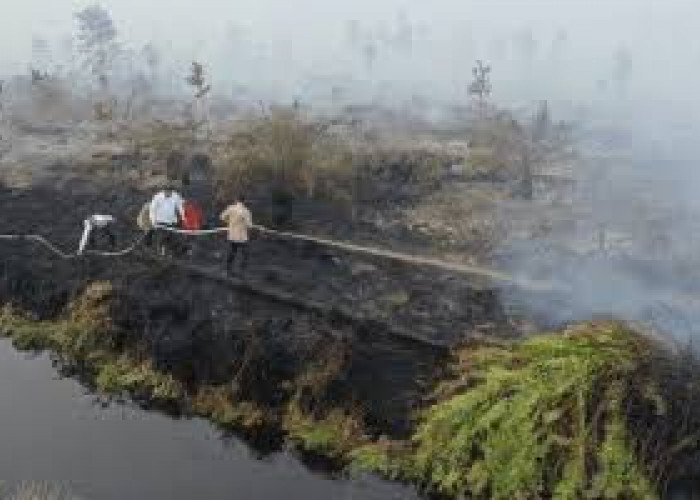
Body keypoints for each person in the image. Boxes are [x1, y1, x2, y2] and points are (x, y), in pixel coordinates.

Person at [220, 195, 253, 276]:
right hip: (242, 237)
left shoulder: (231, 208)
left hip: (232, 235)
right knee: (245, 254)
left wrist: (229, 222)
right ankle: (241, 272)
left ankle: (228, 270)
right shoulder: (246, 211)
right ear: (244, 201)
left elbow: (221, 217)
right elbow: (249, 225)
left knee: (232, 253)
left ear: (236, 200)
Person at [149, 188, 185, 255]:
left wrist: (183, 218)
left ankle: (171, 252)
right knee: (161, 237)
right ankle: (161, 252)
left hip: (171, 221)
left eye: (170, 192)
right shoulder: (158, 197)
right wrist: (153, 221)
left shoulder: (175, 196)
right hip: (160, 221)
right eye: (167, 192)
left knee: (171, 237)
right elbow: (152, 209)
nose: (168, 194)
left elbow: (181, 207)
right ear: (163, 191)